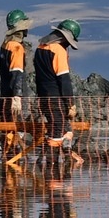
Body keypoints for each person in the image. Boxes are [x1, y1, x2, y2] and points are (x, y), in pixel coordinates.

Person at [34, 18, 82, 164]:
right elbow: (64, 80)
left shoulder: (40, 49)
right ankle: (51, 169)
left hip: (43, 97)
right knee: (57, 130)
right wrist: (70, 103)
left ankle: (55, 163)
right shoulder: (58, 51)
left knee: (60, 129)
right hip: (56, 99)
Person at [0, 9, 32, 119]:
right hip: (15, 99)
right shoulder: (16, 47)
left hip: (5, 95)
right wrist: (17, 97)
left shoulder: (6, 44)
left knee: (8, 129)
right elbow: (17, 73)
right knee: (19, 128)